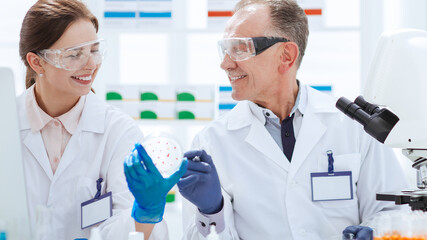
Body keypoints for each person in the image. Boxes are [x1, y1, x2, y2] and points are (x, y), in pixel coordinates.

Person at [177, 0, 410, 239]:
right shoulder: (212, 142)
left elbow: (393, 211)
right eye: (225, 50)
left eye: (239, 48)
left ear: (286, 55)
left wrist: (376, 233)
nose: (225, 63)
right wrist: (211, 212)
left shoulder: (352, 126)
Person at [18, 0, 186, 239]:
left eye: (94, 51)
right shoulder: (7, 124)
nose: (91, 65)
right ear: (37, 62)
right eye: (74, 54)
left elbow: (128, 228)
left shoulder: (118, 131)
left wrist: (145, 212)